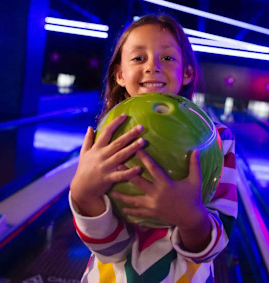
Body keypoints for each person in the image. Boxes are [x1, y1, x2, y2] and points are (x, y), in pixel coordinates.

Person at [69, 14, 237, 282]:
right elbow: (109, 250)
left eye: (168, 58)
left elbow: (212, 247)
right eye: (138, 58)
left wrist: (191, 218)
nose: (152, 67)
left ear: (188, 73)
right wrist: (82, 195)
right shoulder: (108, 137)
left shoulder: (216, 138)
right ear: (120, 74)